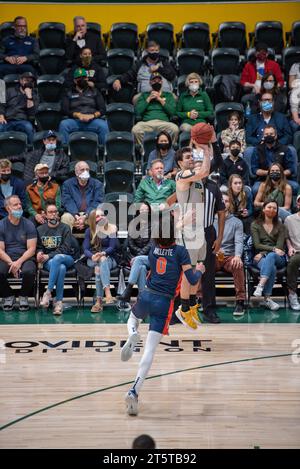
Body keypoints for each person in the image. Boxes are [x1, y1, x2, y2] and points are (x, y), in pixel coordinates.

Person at [121, 211, 205, 416]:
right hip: (164, 302)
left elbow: (164, 235)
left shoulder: (153, 249)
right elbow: (192, 280)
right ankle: (134, 390)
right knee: (149, 351)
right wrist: (200, 270)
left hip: (147, 295)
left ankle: (132, 332)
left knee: (132, 318)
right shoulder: (181, 252)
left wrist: (176, 224)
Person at [174, 124, 225, 327]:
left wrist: (206, 149)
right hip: (188, 232)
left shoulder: (198, 178)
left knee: (198, 270)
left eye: (191, 156)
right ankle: (184, 308)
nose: (191, 158)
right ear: (179, 163)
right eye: (187, 158)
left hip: (200, 231)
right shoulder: (182, 177)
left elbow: (207, 168)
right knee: (189, 272)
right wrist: (204, 150)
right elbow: (203, 169)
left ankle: (193, 305)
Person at [38, 201, 75, 315]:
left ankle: (48, 292)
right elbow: (38, 247)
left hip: (66, 257)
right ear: (45, 214)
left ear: (58, 214)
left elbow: (66, 248)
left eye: (55, 212)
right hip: (48, 261)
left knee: (59, 258)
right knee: (61, 268)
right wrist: (39, 253)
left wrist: (48, 255)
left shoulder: (65, 228)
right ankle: (58, 302)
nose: (53, 214)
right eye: (50, 212)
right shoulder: (40, 229)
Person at [0, 195, 37, 311]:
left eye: (20, 204)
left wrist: (19, 262)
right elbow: (0, 250)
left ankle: (23, 296)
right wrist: (12, 263)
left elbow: (32, 249)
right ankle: (8, 295)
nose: (19, 206)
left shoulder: (29, 224)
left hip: (25, 257)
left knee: (29, 271)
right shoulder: (1, 225)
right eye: (15, 205)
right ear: (8, 209)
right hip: (7, 257)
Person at [251, 200, 287, 311]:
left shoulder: (281, 226)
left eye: (274, 208)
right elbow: (257, 245)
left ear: (277, 211)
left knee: (271, 257)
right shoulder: (255, 225)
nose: (272, 210)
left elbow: (280, 247)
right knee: (272, 267)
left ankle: (260, 285)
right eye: (269, 207)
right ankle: (267, 299)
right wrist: (271, 250)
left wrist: (264, 252)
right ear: (263, 209)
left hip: (278, 258)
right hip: (261, 256)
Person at [215, 193, 246, 316]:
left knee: (237, 264)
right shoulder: (210, 221)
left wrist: (238, 256)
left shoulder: (237, 222)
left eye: (227, 201)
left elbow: (239, 241)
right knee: (203, 264)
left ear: (230, 204)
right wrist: (215, 251)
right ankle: (202, 299)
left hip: (229, 256)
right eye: (222, 200)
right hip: (214, 256)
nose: (224, 203)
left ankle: (240, 301)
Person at [59, 68, 108, 145]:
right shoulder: (68, 92)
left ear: (87, 79)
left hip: (92, 120)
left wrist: (93, 115)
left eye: (84, 77)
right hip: (75, 121)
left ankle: (103, 151)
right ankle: (64, 152)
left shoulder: (95, 91)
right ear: (75, 80)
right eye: (79, 78)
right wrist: (78, 115)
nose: (82, 79)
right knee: (63, 124)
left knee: (103, 125)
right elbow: (64, 110)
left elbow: (103, 109)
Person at [83, 208, 118, 311]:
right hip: (93, 258)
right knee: (98, 265)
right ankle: (107, 292)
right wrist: (91, 256)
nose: (101, 217)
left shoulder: (111, 228)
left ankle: (99, 301)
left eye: (102, 215)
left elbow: (112, 247)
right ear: (93, 220)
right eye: (98, 216)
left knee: (99, 268)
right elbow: (85, 249)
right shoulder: (89, 231)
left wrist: (103, 253)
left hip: (109, 258)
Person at [118, 203, 152, 309]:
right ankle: (142, 299)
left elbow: (152, 244)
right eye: (142, 210)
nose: (144, 212)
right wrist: (138, 256)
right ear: (138, 212)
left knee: (139, 261)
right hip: (136, 259)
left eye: (146, 210)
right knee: (141, 268)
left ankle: (128, 290)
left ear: (149, 212)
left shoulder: (154, 224)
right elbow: (130, 243)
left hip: (150, 258)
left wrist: (138, 257)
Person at [132, 72, 179, 146]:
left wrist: (160, 100)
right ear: (150, 82)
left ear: (162, 82)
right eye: (154, 81)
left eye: (159, 81)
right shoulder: (144, 95)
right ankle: (143, 150)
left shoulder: (169, 95)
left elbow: (173, 112)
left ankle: (169, 150)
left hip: (163, 123)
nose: (157, 82)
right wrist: (148, 99)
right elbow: (138, 112)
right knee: (135, 129)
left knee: (175, 129)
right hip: (147, 123)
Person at [250, 125, 298, 196]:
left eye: (271, 134)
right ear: (263, 136)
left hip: (282, 179)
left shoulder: (285, 149)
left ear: (275, 136)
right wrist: (269, 173)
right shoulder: (257, 149)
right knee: (255, 189)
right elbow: (255, 170)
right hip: (263, 180)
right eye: (266, 134)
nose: (269, 136)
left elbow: (291, 169)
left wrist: (279, 174)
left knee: (295, 187)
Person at [61, 161, 104, 233]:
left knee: (99, 215)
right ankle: (67, 242)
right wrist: (77, 216)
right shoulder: (67, 184)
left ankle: (96, 242)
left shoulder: (97, 184)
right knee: (65, 218)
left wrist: (85, 216)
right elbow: (67, 201)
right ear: (76, 172)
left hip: (90, 213)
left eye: (87, 170)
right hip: (74, 214)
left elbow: (97, 202)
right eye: (82, 170)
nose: (85, 172)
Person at [0, 71, 38, 144]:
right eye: (26, 80)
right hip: (7, 120)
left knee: (28, 128)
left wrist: (29, 97)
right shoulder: (10, 91)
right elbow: (2, 104)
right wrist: (1, 116)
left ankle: (32, 150)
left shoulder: (34, 95)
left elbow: (32, 113)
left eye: (31, 81)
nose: (28, 83)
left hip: (22, 121)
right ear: (21, 81)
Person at [285, 194, 300, 310]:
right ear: (298, 204)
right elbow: (287, 237)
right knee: (292, 262)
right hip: (297, 251)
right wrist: (290, 247)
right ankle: (292, 294)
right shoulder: (289, 219)